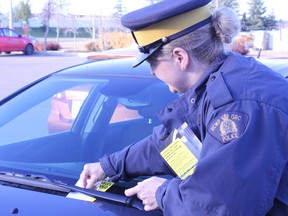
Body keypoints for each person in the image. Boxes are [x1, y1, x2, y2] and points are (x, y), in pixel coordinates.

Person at [79, 0, 288, 215]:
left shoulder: (240, 104)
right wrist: (108, 167)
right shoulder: (219, 82)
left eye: (152, 63)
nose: (151, 72)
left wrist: (161, 193)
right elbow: (174, 144)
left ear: (180, 57)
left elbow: (221, 206)